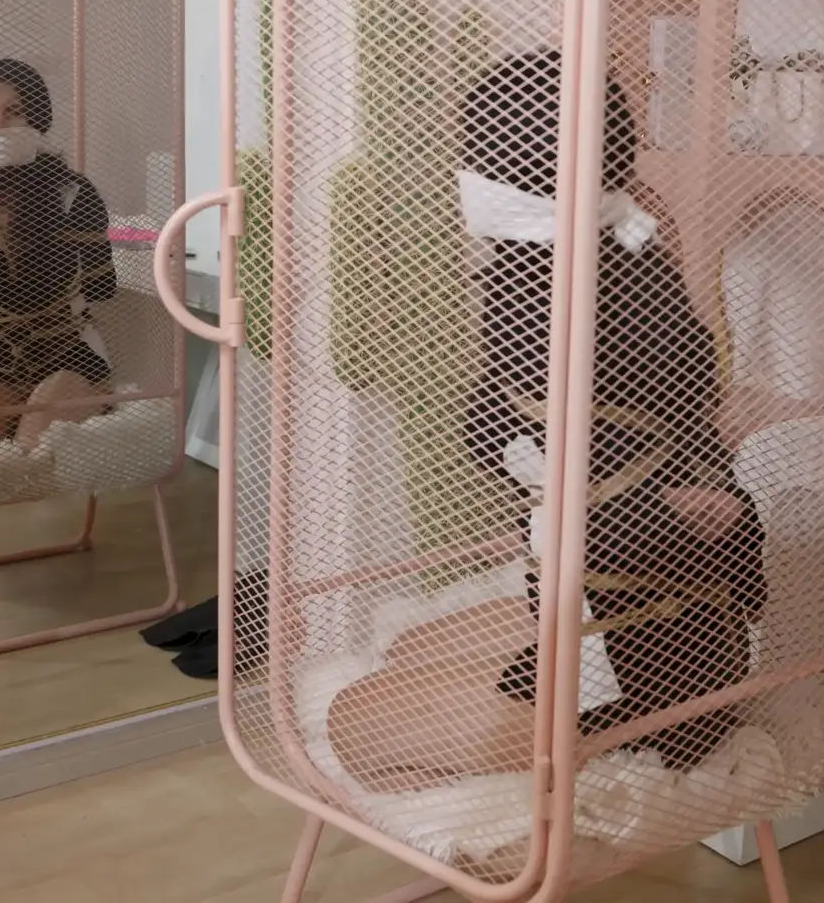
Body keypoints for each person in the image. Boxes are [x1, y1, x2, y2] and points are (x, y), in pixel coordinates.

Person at [324, 51, 767, 794]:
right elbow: (506, 426)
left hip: (642, 661)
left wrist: (539, 460)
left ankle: (560, 803)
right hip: (629, 619)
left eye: (472, 154)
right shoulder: (615, 259)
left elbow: (519, 441)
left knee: (355, 723)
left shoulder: (553, 284)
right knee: (405, 655)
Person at [0, 57, 118, 485]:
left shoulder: (74, 195)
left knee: (36, 447)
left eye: (13, 111)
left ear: (37, 120)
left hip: (69, 351)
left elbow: (101, 287)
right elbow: (101, 285)